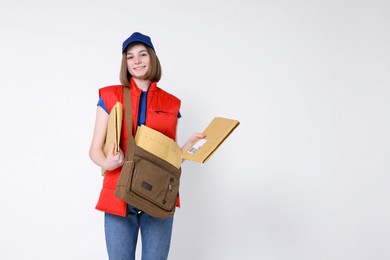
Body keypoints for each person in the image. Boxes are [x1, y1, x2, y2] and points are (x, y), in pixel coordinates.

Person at [89, 32, 204, 260]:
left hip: (158, 194)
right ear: (125, 63)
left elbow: (170, 160)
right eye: (130, 57)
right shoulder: (110, 96)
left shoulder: (171, 104)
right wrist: (106, 162)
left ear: (152, 57)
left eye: (142, 54)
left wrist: (188, 147)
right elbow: (94, 149)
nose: (137, 61)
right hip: (118, 194)